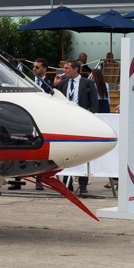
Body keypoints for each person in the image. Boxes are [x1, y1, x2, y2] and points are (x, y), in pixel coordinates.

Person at [54, 59, 99, 195]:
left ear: (76, 69)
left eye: (67, 68)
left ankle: (83, 183)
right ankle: (66, 182)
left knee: (82, 152)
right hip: (65, 121)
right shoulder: (63, 83)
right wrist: (55, 85)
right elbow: (53, 99)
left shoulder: (88, 83)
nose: (64, 71)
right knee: (66, 152)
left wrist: (91, 119)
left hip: (81, 121)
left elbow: (94, 103)